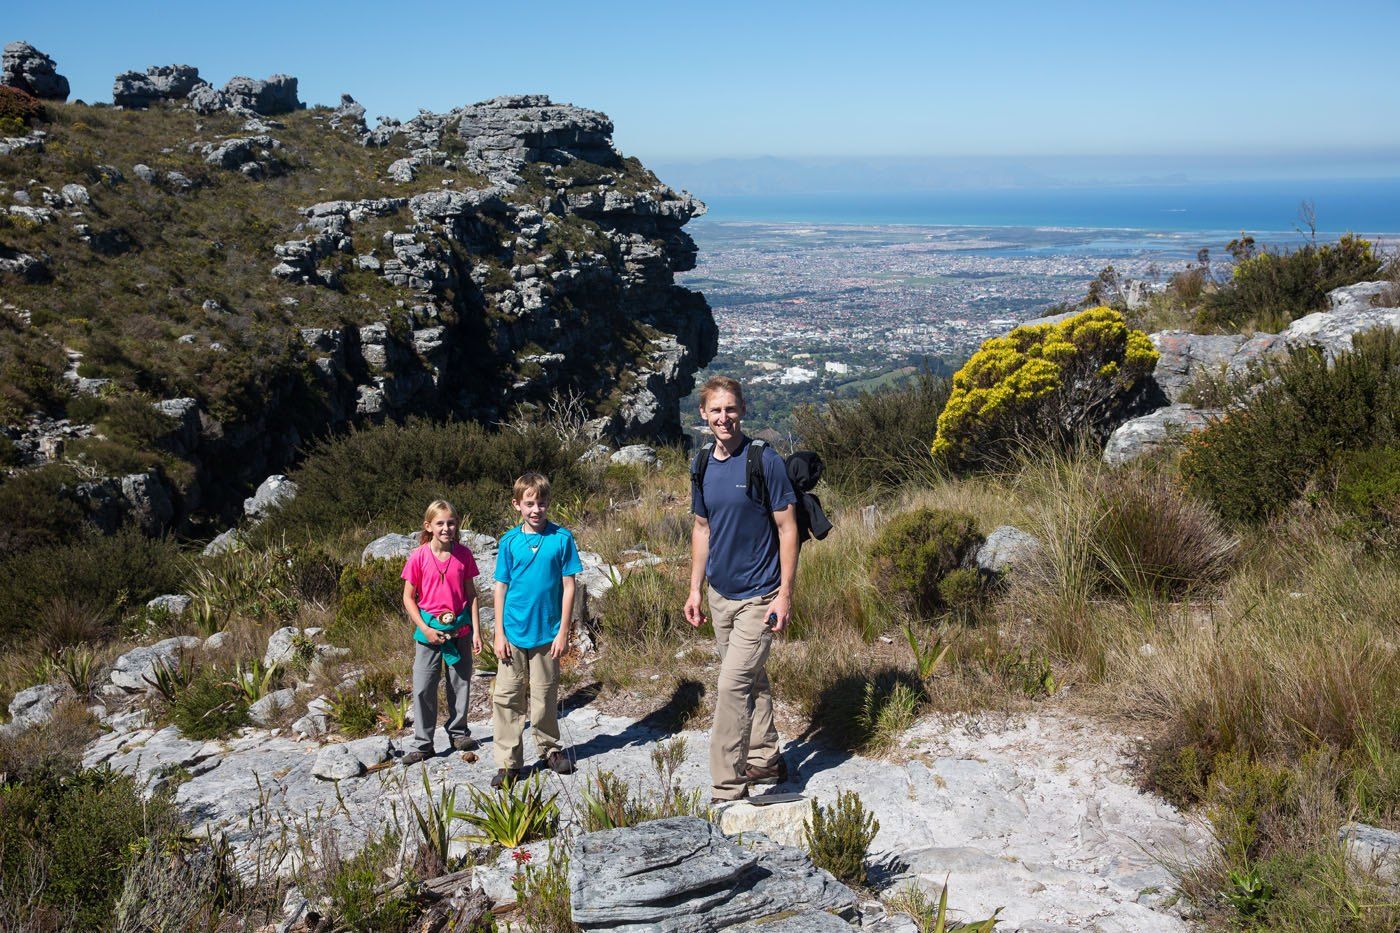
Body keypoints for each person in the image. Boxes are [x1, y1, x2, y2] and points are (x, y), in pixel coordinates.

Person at [684, 376, 799, 803]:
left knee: (731, 685)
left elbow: (788, 530)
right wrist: (695, 590)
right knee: (750, 678)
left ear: (743, 410)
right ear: (703, 414)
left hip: (760, 595)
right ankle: (766, 758)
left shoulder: (763, 460)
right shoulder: (701, 464)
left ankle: (727, 785)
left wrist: (785, 594)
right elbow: (701, 529)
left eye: (730, 408)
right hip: (720, 595)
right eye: (715, 410)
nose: (723, 417)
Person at [491, 472, 583, 787]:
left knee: (545, 693)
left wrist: (564, 631)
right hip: (513, 631)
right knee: (508, 696)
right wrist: (498, 633)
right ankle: (508, 763)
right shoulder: (509, 542)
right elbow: (500, 587)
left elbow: (569, 586)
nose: (536, 510)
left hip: (548, 631)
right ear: (517, 505)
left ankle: (550, 749)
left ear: (548, 503)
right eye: (529, 503)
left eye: (541, 503)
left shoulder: (562, 538)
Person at [400, 499, 483, 766]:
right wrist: (424, 628)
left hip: (459, 631)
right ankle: (423, 744)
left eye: (451, 522)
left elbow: (471, 595)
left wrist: (477, 631)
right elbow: (409, 598)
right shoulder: (419, 556)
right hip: (428, 634)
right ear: (429, 526)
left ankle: (459, 733)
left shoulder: (464, 555)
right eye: (440, 523)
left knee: (460, 684)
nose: (446, 528)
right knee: (424, 687)